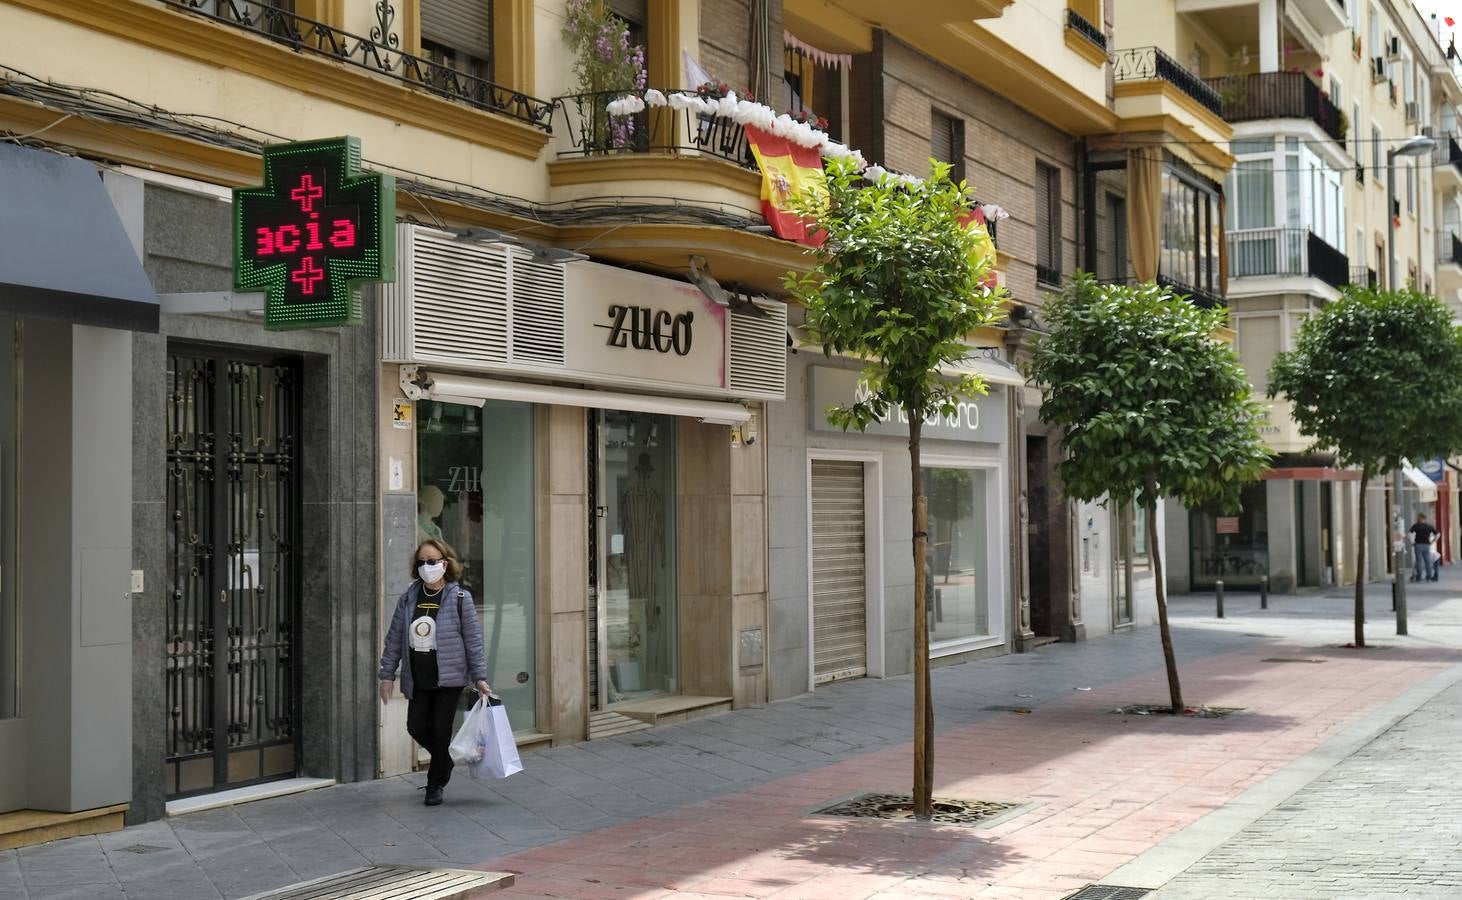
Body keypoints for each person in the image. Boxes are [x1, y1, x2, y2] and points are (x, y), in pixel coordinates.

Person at [378, 539, 490, 806]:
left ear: (445, 563)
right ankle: (446, 761)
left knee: (440, 729)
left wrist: (479, 676)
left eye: (432, 561)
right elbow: (394, 638)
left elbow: (473, 640)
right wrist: (386, 674)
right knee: (415, 726)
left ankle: (434, 784)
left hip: (449, 677)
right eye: (421, 562)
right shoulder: (408, 598)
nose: (427, 567)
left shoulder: (460, 598)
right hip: (418, 676)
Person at [1408, 514, 1438, 583]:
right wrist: (1432, 541)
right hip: (1427, 545)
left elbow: (1409, 534)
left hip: (1418, 544)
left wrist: (1412, 542)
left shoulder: (1416, 525)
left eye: (1418, 518)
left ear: (1420, 518)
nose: (1417, 519)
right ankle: (1428, 576)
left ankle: (1419, 577)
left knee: (1419, 561)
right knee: (1427, 561)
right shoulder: (1428, 526)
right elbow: (1437, 534)